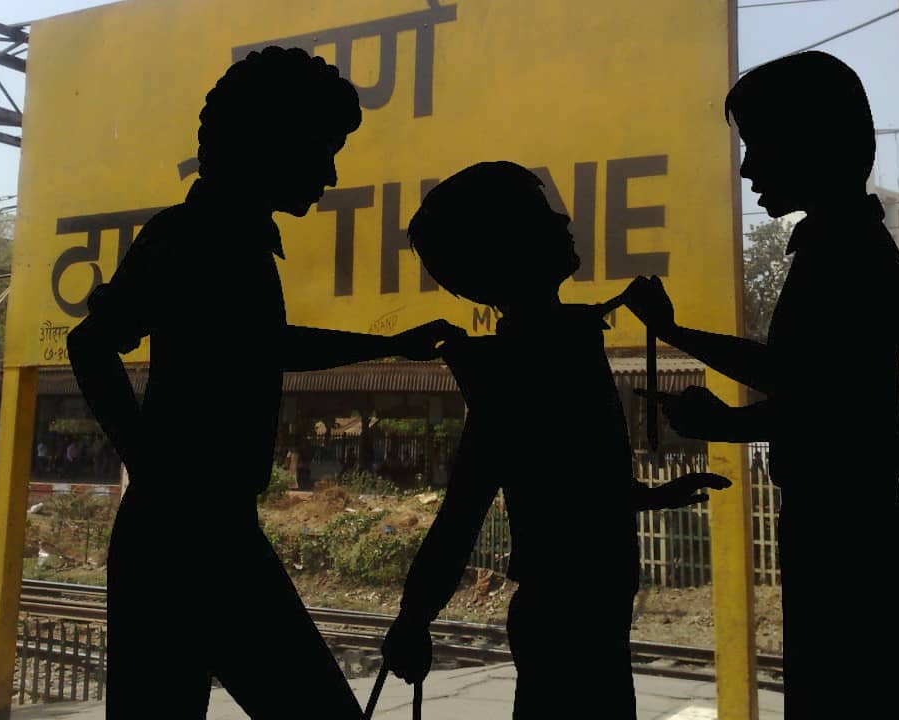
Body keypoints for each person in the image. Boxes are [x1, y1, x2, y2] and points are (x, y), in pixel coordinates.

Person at [67, 46, 462, 720]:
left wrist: (392, 344)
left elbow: (260, 344)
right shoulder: (196, 235)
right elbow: (92, 343)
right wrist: (154, 467)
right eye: (321, 149)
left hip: (188, 529)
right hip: (194, 536)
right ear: (268, 144)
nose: (329, 173)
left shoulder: (218, 237)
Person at [623, 51, 899, 718]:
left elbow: (825, 407)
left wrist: (722, 424)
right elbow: (798, 377)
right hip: (848, 529)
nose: (747, 169)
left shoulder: (842, 255)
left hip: (843, 537)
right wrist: (675, 335)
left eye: (759, 145)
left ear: (811, 146)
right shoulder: (843, 246)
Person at [380, 161, 731, 719]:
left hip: (575, 612)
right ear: (511, 248)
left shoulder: (542, 350)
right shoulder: (532, 360)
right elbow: (470, 502)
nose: (563, 221)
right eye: (543, 216)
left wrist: (644, 496)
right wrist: (414, 617)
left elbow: (561, 483)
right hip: (573, 617)